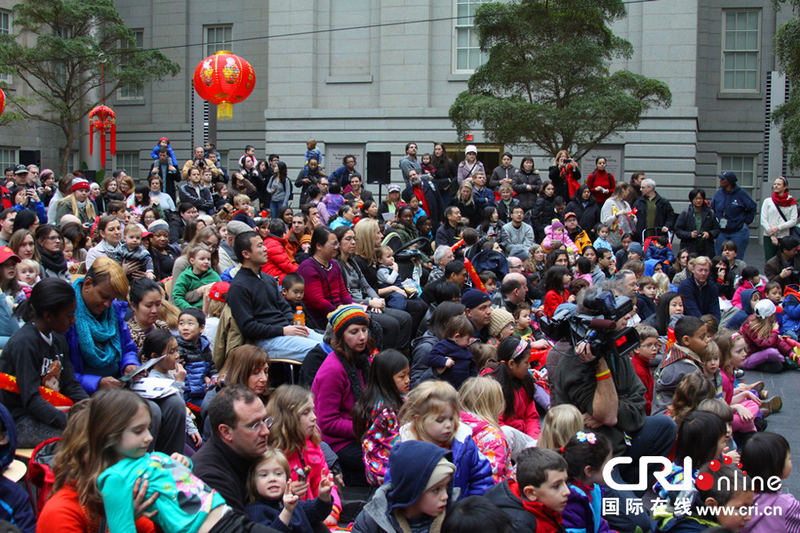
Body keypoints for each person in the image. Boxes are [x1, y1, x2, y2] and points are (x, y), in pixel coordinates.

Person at [552, 286, 677, 482]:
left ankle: (633, 487)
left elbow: (638, 397)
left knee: (665, 426)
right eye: (618, 312)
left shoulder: (618, 348)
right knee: (634, 513)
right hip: (594, 455)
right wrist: (599, 364)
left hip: (620, 438)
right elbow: (608, 416)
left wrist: (613, 410)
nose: (627, 316)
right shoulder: (576, 362)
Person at [67, 257, 186, 454]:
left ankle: (171, 465)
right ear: (87, 284)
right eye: (103, 296)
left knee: (174, 403)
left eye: (112, 299)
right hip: (89, 390)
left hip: (119, 383)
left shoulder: (113, 311)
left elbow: (128, 347)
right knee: (151, 412)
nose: (107, 304)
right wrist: (97, 382)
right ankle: (142, 472)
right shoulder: (69, 314)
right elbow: (67, 372)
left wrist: (129, 365)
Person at [0, 278, 88, 447]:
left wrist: (91, 406)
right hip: (19, 420)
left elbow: (70, 384)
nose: (73, 320)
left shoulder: (58, 339)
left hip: (48, 410)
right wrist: (68, 421)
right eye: (69, 315)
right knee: (81, 440)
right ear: (48, 315)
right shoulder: (24, 344)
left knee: (101, 428)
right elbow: (31, 399)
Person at [227, 231, 323, 361]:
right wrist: (283, 330)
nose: (265, 249)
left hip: (287, 330)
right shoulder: (239, 287)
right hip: (266, 341)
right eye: (260, 245)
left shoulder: (268, 279)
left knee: (336, 346)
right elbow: (248, 327)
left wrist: (294, 325)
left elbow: (284, 307)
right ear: (246, 254)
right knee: (321, 352)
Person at [311, 304, 373, 487]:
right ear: (341, 337)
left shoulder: (364, 360)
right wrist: (368, 427)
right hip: (339, 442)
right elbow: (327, 422)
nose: (362, 337)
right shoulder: (333, 370)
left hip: (362, 431)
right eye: (354, 332)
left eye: (364, 330)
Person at [398, 380, 493, 498]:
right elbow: (395, 484)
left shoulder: (464, 443)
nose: (448, 425)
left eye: (451, 418)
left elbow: (482, 478)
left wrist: (472, 507)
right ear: (418, 420)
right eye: (440, 420)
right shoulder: (406, 449)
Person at [264, 385, 342, 527]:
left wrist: (333, 508)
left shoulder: (313, 446)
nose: (314, 417)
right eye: (306, 412)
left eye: (313, 410)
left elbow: (324, 481)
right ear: (287, 418)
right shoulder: (273, 456)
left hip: (318, 516)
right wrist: (286, 492)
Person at [193, 385, 272, 513]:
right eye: (255, 425)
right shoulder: (210, 478)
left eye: (265, 421)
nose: (266, 431)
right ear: (226, 432)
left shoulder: (249, 450)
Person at [351, 440, 457, 533]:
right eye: (436, 490)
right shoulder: (373, 520)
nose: (445, 496)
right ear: (412, 489)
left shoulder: (454, 518)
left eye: (446, 486)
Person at [353, 350, 410, 487]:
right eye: (402, 377)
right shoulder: (387, 411)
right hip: (382, 470)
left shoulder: (372, 399)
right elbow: (398, 447)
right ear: (387, 380)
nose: (408, 380)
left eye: (408, 374)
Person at [245, 448, 333, 533]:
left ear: (287, 479)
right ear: (253, 481)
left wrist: (324, 496)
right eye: (264, 475)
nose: (272, 479)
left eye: (278, 474)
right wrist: (287, 511)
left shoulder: (293, 502)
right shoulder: (255, 511)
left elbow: (317, 512)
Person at [484, 447, 570, 532]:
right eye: (556, 486)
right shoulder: (517, 525)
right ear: (531, 493)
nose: (567, 491)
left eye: (566, 482)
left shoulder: (548, 505)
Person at [740, 432, 800, 532]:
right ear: (777, 466)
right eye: (789, 458)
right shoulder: (788, 505)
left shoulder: (734, 498)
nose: (791, 461)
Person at [490, 337, 541, 439]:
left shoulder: (525, 382)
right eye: (526, 362)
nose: (529, 365)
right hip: (507, 439)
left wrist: (534, 437)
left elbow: (531, 417)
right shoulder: (496, 389)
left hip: (526, 437)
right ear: (512, 364)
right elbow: (498, 425)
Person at [712, 171, 757, 256]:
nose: (720, 180)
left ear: (729, 182)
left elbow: (752, 207)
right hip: (722, 231)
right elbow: (712, 209)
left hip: (738, 231)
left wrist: (746, 222)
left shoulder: (741, 193)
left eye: (722, 179)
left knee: (736, 258)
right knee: (719, 257)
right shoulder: (719, 193)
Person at [427, 315, 477, 390]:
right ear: (457, 337)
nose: (469, 341)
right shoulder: (444, 345)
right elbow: (432, 357)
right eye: (467, 339)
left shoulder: (466, 350)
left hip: (464, 386)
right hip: (446, 387)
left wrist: (474, 380)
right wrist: (444, 361)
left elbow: (472, 366)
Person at [675, 188, 720, 258]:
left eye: (700, 198)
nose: (698, 201)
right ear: (692, 200)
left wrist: (709, 234)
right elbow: (678, 231)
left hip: (706, 249)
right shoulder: (685, 213)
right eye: (696, 199)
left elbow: (717, 230)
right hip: (689, 248)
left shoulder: (710, 213)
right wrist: (689, 234)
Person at [761, 176, 798, 261]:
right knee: (770, 260)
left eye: (779, 184)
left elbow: (793, 220)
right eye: (774, 184)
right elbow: (763, 219)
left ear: (785, 187)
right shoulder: (768, 201)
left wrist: (778, 227)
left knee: (783, 260)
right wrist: (772, 234)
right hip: (769, 236)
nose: (776, 186)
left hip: (784, 235)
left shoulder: (791, 202)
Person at [678, 255, 720, 321]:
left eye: (706, 271)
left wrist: (713, 324)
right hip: (690, 322)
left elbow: (715, 310)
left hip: (709, 323)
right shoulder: (685, 286)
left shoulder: (712, 287)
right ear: (693, 270)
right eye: (700, 270)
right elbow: (691, 310)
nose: (703, 273)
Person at [600, 183, 636, 248]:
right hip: (613, 237)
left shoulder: (625, 204)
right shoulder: (609, 202)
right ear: (623, 190)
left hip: (625, 238)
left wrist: (632, 217)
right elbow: (605, 221)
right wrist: (616, 215)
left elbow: (634, 219)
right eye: (628, 190)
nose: (629, 193)